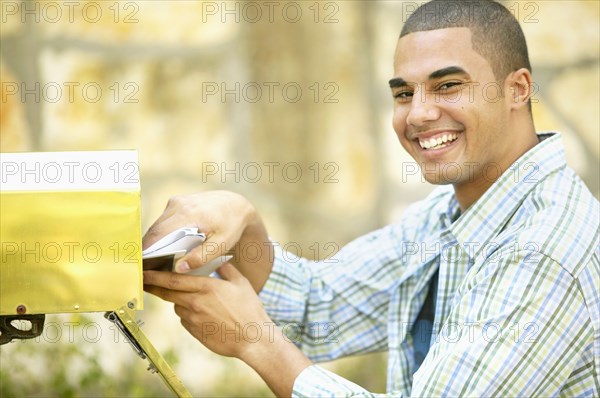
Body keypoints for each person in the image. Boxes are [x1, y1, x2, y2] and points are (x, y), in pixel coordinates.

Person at [142, 1, 600, 396]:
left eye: (447, 86)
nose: (418, 113)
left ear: (517, 89)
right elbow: (318, 307)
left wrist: (259, 345)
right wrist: (242, 220)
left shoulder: (545, 247)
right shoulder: (448, 214)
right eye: (404, 93)